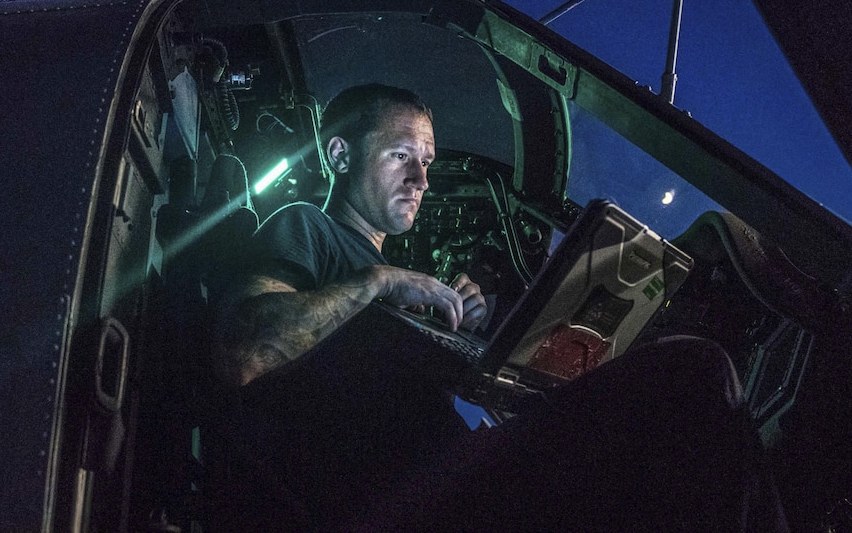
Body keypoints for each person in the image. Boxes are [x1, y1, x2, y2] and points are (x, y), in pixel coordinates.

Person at [211, 84, 788, 531]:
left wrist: (481, 340)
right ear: (339, 154)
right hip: (392, 502)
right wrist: (381, 281)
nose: (421, 180)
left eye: (428, 162)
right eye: (400, 155)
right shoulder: (306, 229)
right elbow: (245, 351)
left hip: (455, 473)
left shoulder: (401, 285)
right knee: (692, 372)